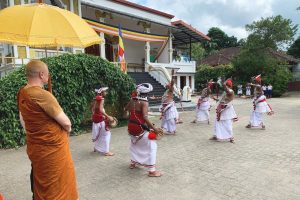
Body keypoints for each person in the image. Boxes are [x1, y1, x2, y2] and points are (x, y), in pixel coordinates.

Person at [17, 60, 78, 200]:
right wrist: (66, 131)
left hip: (36, 147)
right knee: (57, 185)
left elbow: (23, 120)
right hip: (53, 150)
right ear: (42, 74)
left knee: (40, 178)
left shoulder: (22, 93)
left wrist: (35, 134)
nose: (48, 77)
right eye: (47, 74)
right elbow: (66, 123)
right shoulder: (42, 95)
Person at [125, 83, 163, 177]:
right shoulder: (144, 102)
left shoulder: (132, 100)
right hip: (140, 128)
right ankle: (152, 171)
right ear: (146, 94)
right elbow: (145, 117)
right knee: (152, 146)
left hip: (131, 126)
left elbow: (125, 109)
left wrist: (131, 117)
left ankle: (133, 162)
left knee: (135, 144)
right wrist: (155, 129)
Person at [210, 79, 238, 143]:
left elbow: (228, 91)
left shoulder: (231, 91)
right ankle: (216, 135)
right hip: (221, 109)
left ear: (228, 85)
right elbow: (221, 100)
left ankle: (231, 137)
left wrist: (223, 84)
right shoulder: (225, 92)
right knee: (217, 122)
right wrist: (215, 99)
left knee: (227, 124)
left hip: (227, 109)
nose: (225, 87)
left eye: (226, 85)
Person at [91, 87, 115, 156]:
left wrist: (95, 115)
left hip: (95, 119)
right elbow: (101, 110)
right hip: (100, 120)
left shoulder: (95, 98)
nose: (106, 93)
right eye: (105, 91)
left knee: (100, 133)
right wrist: (108, 116)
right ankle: (106, 151)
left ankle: (96, 147)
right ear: (102, 92)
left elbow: (93, 109)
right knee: (107, 134)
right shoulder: (102, 99)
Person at [159, 70, 178, 134]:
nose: (167, 84)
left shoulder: (170, 90)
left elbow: (172, 83)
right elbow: (164, 98)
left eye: (168, 84)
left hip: (169, 106)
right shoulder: (166, 91)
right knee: (165, 119)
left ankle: (173, 130)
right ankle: (166, 129)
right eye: (167, 84)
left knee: (170, 119)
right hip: (164, 106)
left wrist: (172, 76)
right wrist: (156, 98)